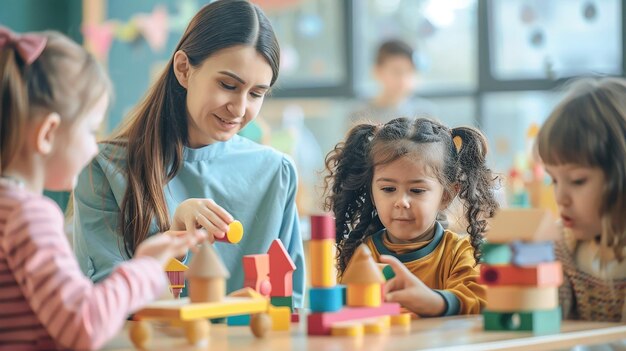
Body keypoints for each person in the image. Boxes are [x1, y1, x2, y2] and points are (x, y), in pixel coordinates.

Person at [72, 0, 306, 307]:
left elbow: (291, 307)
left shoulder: (278, 173)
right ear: (184, 69)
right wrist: (173, 240)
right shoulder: (104, 168)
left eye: (256, 93)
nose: (239, 108)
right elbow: (101, 308)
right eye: (227, 84)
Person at [0, 27, 205, 349]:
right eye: (90, 130)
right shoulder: (29, 215)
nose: (94, 148)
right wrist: (146, 268)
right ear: (48, 133)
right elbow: (84, 323)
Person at [323, 117, 498, 316]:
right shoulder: (362, 255)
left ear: (446, 196)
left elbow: (482, 296)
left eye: (416, 190)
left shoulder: (460, 253)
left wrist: (434, 302)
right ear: (372, 192)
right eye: (388, 189)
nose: (401, 201)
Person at [537, 77, 626, 322]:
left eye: (577, 181)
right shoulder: (564, 248)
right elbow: (550, 322)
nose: (560, 198)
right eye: (554, 180)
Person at [350, 39, 437, 125]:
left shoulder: (424, 113)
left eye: (410, 71)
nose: (403, 79)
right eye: (397, 71)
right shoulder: (360, 115)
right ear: (377, 71)